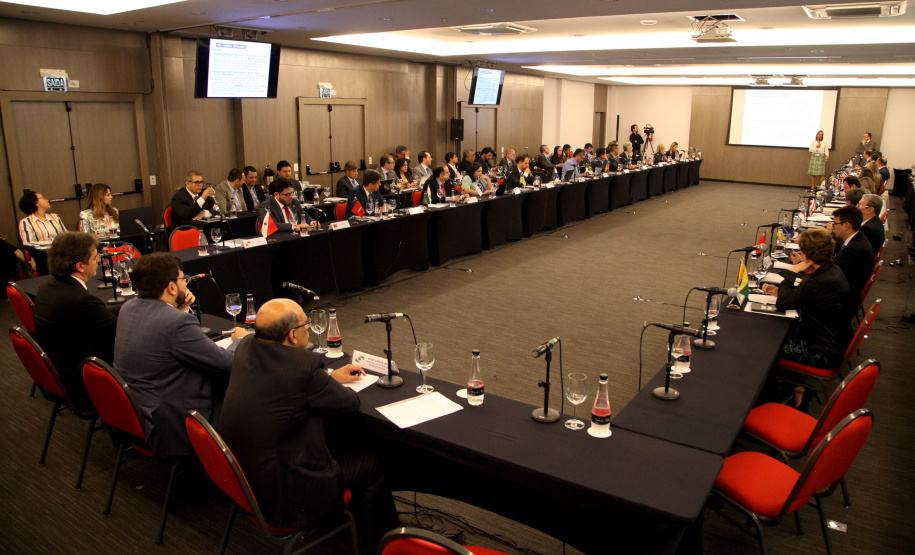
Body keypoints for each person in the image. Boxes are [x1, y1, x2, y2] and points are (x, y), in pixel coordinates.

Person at [219, 298, 398, 550]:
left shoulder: (247, 345)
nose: (309, 328)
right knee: (374, 461)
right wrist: (322, 380)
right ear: (293, 335)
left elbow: (282, 381)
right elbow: (348, 402)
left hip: (243, 478)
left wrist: (326, 376)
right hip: (285, 493)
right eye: (306, 324)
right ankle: (380, 545)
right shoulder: (303, 366)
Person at [114, 253, 249, 457]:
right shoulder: (175, 323)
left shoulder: (128, 307)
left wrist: (182, 310)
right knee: (243, 387)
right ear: (171, 287)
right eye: (183, 280)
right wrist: (240, 339)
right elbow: (228, 362)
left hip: (138, 411)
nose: (186, 285)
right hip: (173, 421)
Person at [33, 232, 117, 411]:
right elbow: (120, 333)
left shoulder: (48, 287)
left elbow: (104, 318)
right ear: (80, 266)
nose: (98, 260)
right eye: (95, 257)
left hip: (63, 371)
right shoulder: (80, 300)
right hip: (86, 382)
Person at [761, 228, 852, 373]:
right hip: (830, 340)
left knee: (764, 346)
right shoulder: (832, 270)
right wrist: (780, 292)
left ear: (808, 254)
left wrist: (794, 270)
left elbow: (783, 303)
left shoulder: (822, 280)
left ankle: (785, 390)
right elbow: (802, 296)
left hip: (821, 351)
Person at [830, 205, 874, 315]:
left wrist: (804, 263)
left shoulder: (852, 250)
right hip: (849, 293)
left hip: (841, 303)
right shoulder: (859, 239)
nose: (833, 227)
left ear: (846, 225)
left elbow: (829, 275)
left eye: (835, 224)